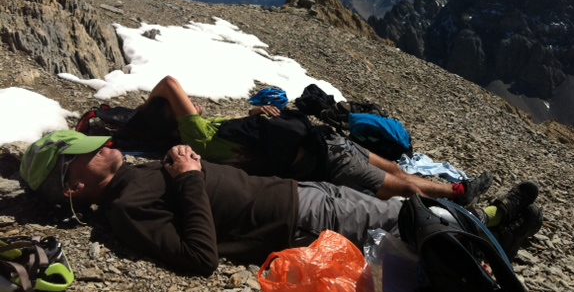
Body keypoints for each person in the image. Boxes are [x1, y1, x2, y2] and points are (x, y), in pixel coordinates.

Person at [20, 131, 542, 276]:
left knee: (392, 212)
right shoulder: (125, 211)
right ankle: (489, 230)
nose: (99, 146)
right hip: (295, 219)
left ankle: (480, 226)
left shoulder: (129, 180)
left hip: (296, 196)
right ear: (72, 188)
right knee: (404, 218)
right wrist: (188, 177)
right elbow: (200, 256)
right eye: (80, 153)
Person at [133, 75, 493, 205]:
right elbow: (168, 83)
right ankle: (457, 195)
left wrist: (256, 117)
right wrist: (148, 110)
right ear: (175, 120)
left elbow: (252, 139)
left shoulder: (209, 132)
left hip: (327, 140)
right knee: (396, 186)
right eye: (183, 110)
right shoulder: (197, 136)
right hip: (326, 160)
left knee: (397, 170)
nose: (194, 105)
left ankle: (452, 192)